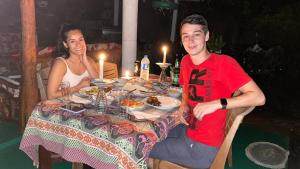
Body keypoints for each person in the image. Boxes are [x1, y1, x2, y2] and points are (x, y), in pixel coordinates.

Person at [149, 14, 265, 169]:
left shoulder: (223, 63)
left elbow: (259, 97)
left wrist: (217, 103)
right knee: (151, 134)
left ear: (207, 36)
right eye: (186, 36)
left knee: (140, 148)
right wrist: (184, 104)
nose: (190, 41)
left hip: (202, 148)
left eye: (196, 35)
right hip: (188, 131)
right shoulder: (185, 61)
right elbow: (185, 89)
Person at [47, 24, 98, 99]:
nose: (78, 44)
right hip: (67, 107)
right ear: (66, 44)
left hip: (88, 106)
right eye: (72, 41)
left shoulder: (89, 60)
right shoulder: (61, 64)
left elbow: (100, 87)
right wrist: (79, 87)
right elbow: (51, 96)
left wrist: (86, 62)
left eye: (81, 39)